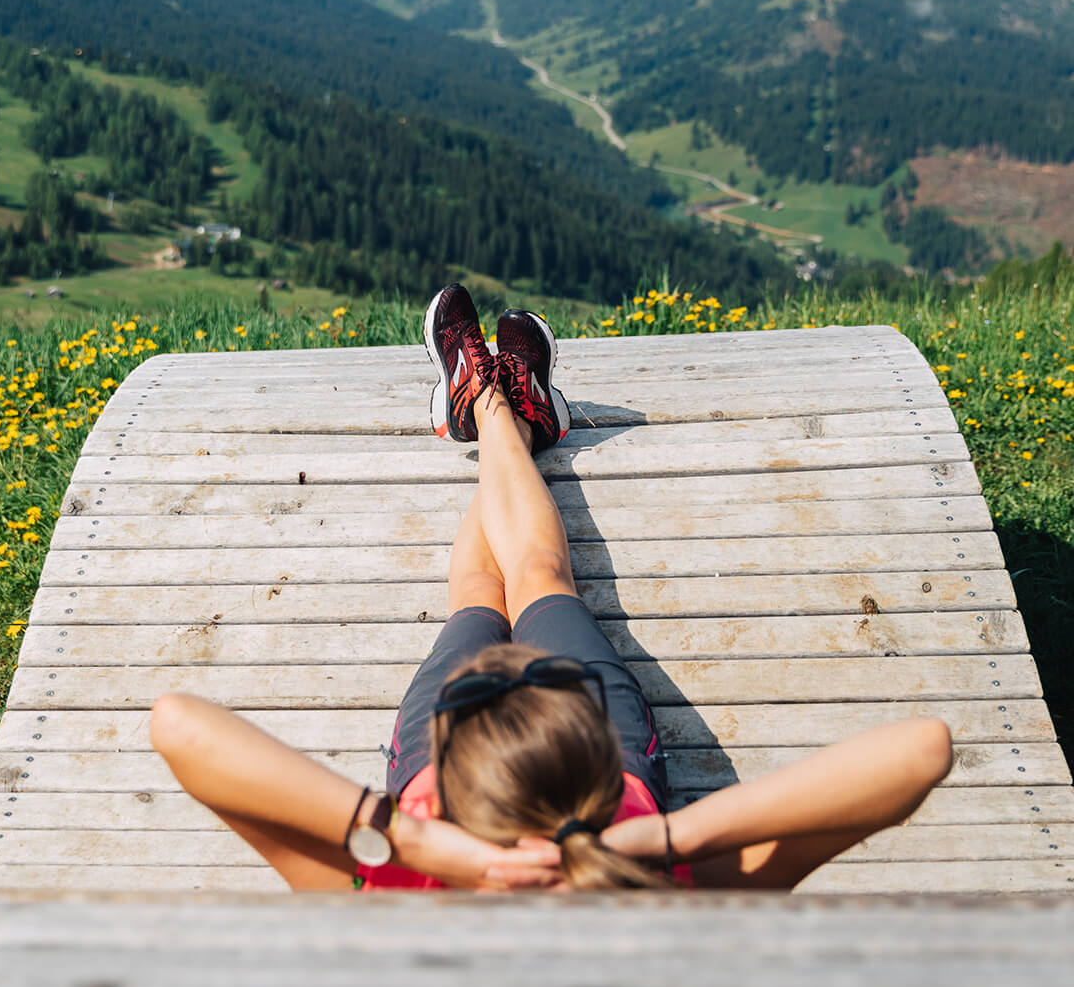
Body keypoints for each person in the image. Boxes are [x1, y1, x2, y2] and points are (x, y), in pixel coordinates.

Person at [150, 284, 953, 892]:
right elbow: (920, 753)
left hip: (542, 743)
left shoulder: (409, 899)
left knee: (487, 585)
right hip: (485, 743)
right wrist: (648, 845)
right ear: (607, 792)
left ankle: (492, 406)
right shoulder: (643, 893)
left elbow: (179, 726)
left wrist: (423, 846)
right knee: (516, 581)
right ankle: (508, 410)